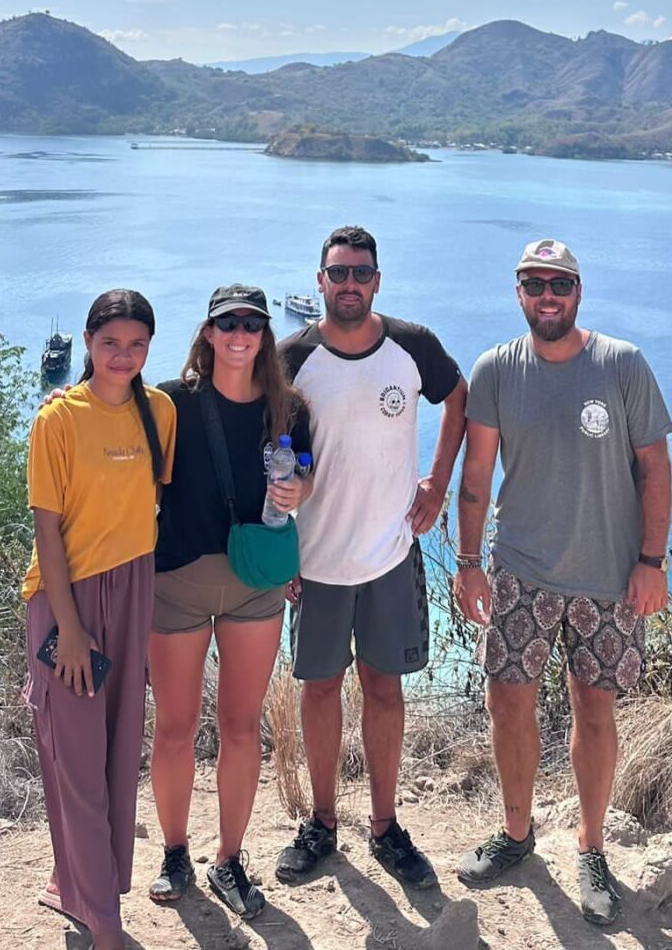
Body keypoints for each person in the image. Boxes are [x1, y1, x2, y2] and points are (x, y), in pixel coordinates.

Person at [453, 239, 672, 925]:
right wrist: (467, 563)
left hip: (608, 578)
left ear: (578, 291)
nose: (546, 296)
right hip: (521, 572)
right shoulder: (496, 369)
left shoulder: (621, 364)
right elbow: (475, 474)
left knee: (594, 712)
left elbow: (654, 466)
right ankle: (516, 833)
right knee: (507, 704)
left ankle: (590, 846)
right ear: (518, 292)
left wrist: (652, 561)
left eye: (559, 284)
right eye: (534, 284)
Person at [274, 226, 467, 889]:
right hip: (317, 560)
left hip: (390, 556)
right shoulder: (292, 358)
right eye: (338, 273)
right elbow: (267, 448)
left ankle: (385, 826)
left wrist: (437, 483)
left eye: (361, 273)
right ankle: (322, 823)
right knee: (319, 690)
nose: (349, 284)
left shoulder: (412, 346)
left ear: (377, 280)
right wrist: (280, 543)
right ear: (320, 280)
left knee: (385, 689)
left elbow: (459, 398)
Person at [147, 284, 312, 919]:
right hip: (179, 578)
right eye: (228, 323)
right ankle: (174, 853)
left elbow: (304, 471)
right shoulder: (172, 402)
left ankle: (230, 859)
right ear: (209, 334)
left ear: (264, 334)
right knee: (175, 728)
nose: (240, 334)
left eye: (251, 324)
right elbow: (110, 419)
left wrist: (299, 490)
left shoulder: (288, 408)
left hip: (255, 582)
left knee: (242, 728)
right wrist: (64, 400)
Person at [23, 290, 177, 950]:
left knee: (116, 754)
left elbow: (149, 502)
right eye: (110, 342)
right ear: (87, 343)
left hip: (133, 585)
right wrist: (70, 629)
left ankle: (80, 883)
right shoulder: (58, 419)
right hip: (67, 596)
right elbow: (47, 529)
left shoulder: (160, 411)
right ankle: (105, 922)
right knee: (77, 756)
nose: (123, 355)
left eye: (136, 344)